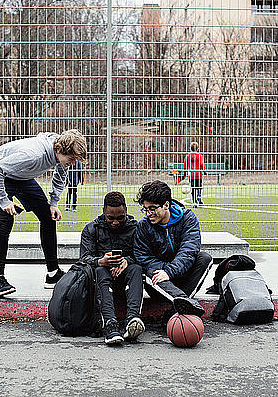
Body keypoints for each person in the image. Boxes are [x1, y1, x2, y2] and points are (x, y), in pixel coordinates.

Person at [0, 130, 87, 297]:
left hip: (22, 177)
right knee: (5, 221)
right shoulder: (33, 155)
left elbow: (60, 176)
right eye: (72, 159)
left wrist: (53, 203)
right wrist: (4, 201)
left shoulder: (59, 150)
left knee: (48, 217)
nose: (73, 163)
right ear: (59, 150)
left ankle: (53, 274)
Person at [134, 180, 213, 319]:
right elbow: (142, 257)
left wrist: (170, 271)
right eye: (145, 209)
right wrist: (165, 271)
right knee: (147, 270)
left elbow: (189, 250)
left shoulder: (188, 218)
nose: (148, 214)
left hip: (182, 276)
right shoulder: (143, 226)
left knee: (204, 258)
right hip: (159, 282)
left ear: (166, 205)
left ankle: (176, 308)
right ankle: (185, 302)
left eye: (152, 209)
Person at [79, 191, 144, 345]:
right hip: (101, 283)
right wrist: (101, 261)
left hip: (127, 278)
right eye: (111, 218)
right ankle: (110, 323)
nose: (115, 222)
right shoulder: (92, 229)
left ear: (126, 212)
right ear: (104, 213)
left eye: (120, 218)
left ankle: (133, 320)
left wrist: (126, 261)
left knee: (136, 269)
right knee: (100, 270)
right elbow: (84, 258)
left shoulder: (136, 228)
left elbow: (144, 254)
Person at [183, 141, 206, 206]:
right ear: (197, 149)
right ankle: (199, 197)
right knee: (199, 187)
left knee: (193, 188)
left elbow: (185, 165)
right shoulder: (199, 156)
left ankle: (194, 202)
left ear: (190, 148)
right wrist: (204, 171)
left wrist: (184, 174)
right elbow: (202, 164)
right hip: (198, 174)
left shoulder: (188, 156)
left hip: (191, 174)